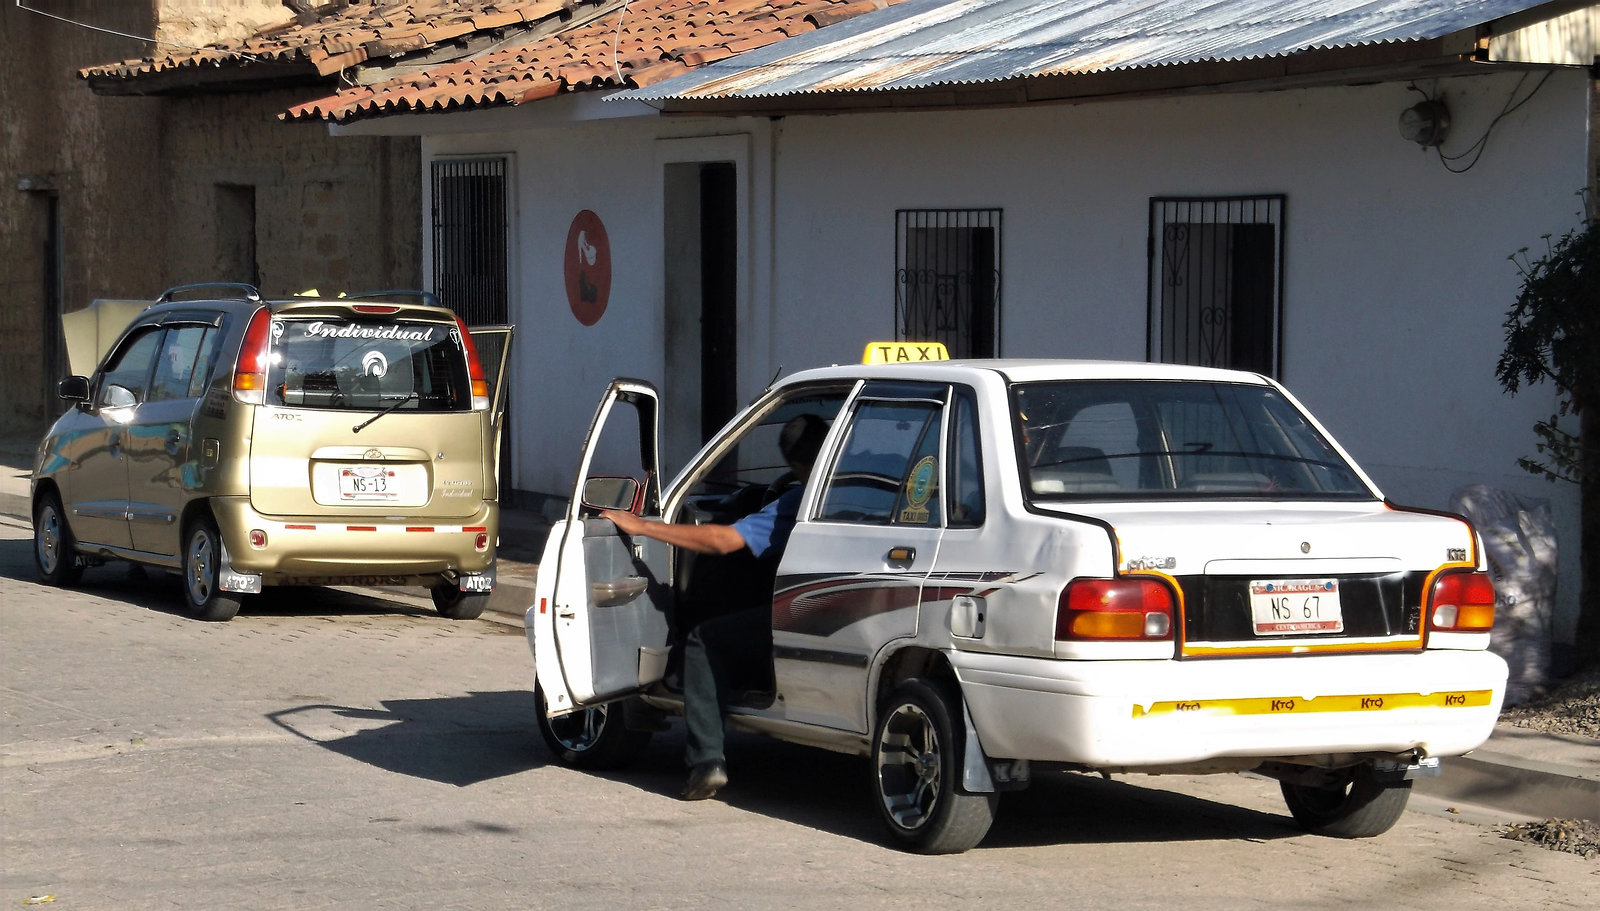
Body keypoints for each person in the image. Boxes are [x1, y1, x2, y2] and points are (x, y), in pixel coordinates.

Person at [600, 413, 827, 800]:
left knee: (706, 640)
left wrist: (643, 527)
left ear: (798, 466)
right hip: (841, 609)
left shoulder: (803, 498)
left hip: (805, 612)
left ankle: (707, 762)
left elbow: (723, 541)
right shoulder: (883, 482)